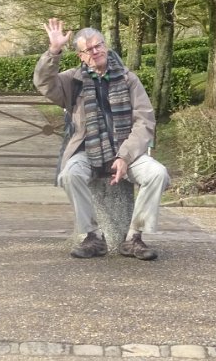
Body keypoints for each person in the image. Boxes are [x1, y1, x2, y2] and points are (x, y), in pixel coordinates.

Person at [34, 18, 170, 260]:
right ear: (81, 56)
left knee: (157, 173)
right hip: (88, 150)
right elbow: (43, 83)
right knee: (70, 175)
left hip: (127, 151)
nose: (95, 51)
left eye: (99, 45)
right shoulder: (72, 81)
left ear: (105, 46)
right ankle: (92, 236)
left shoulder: (128, 79)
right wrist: (54, 50)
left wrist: (124, 156)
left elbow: (145, 121)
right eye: (88, 49)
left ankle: (134, 237)